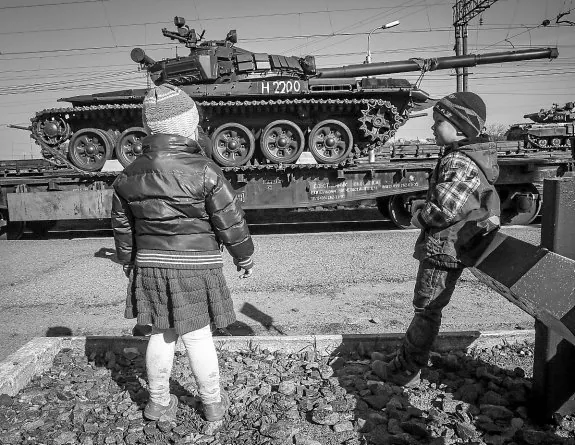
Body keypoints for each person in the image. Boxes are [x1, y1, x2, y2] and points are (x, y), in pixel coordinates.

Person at [111, 83, 254, 422]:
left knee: (161, 334)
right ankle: (213, 403)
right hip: (196, 265)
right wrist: (243, 256)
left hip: (150, 266)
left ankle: (158, 403)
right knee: (198, 336)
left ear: (149, 130)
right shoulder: (205, 170)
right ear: (190, 125)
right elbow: (230, 219)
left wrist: (127, 261)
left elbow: (122, 227)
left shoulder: (127, 177)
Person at [372, 91, 500, 387]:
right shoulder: (466, 157)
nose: (432, 127)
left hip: (444, 246)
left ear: (459, 127)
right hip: (452, 244)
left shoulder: (458, 160)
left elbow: (446, 208)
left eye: (438, 121)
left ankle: (404, 369)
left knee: (426, 309)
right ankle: (405, 358)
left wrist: (418, 213)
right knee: (428, 307)